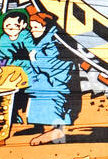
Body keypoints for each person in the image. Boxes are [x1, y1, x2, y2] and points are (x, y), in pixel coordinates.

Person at [23, 8, 85, 145]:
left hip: (57, 81)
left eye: (35, 27)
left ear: (45, 27)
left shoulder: (56, 40)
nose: (32, 30)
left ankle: (57, 131)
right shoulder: (46, 38)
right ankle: (50, 129)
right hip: (47, 80)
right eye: (31, 27)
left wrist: (35, 58)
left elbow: (54, 61)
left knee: (55, 104)